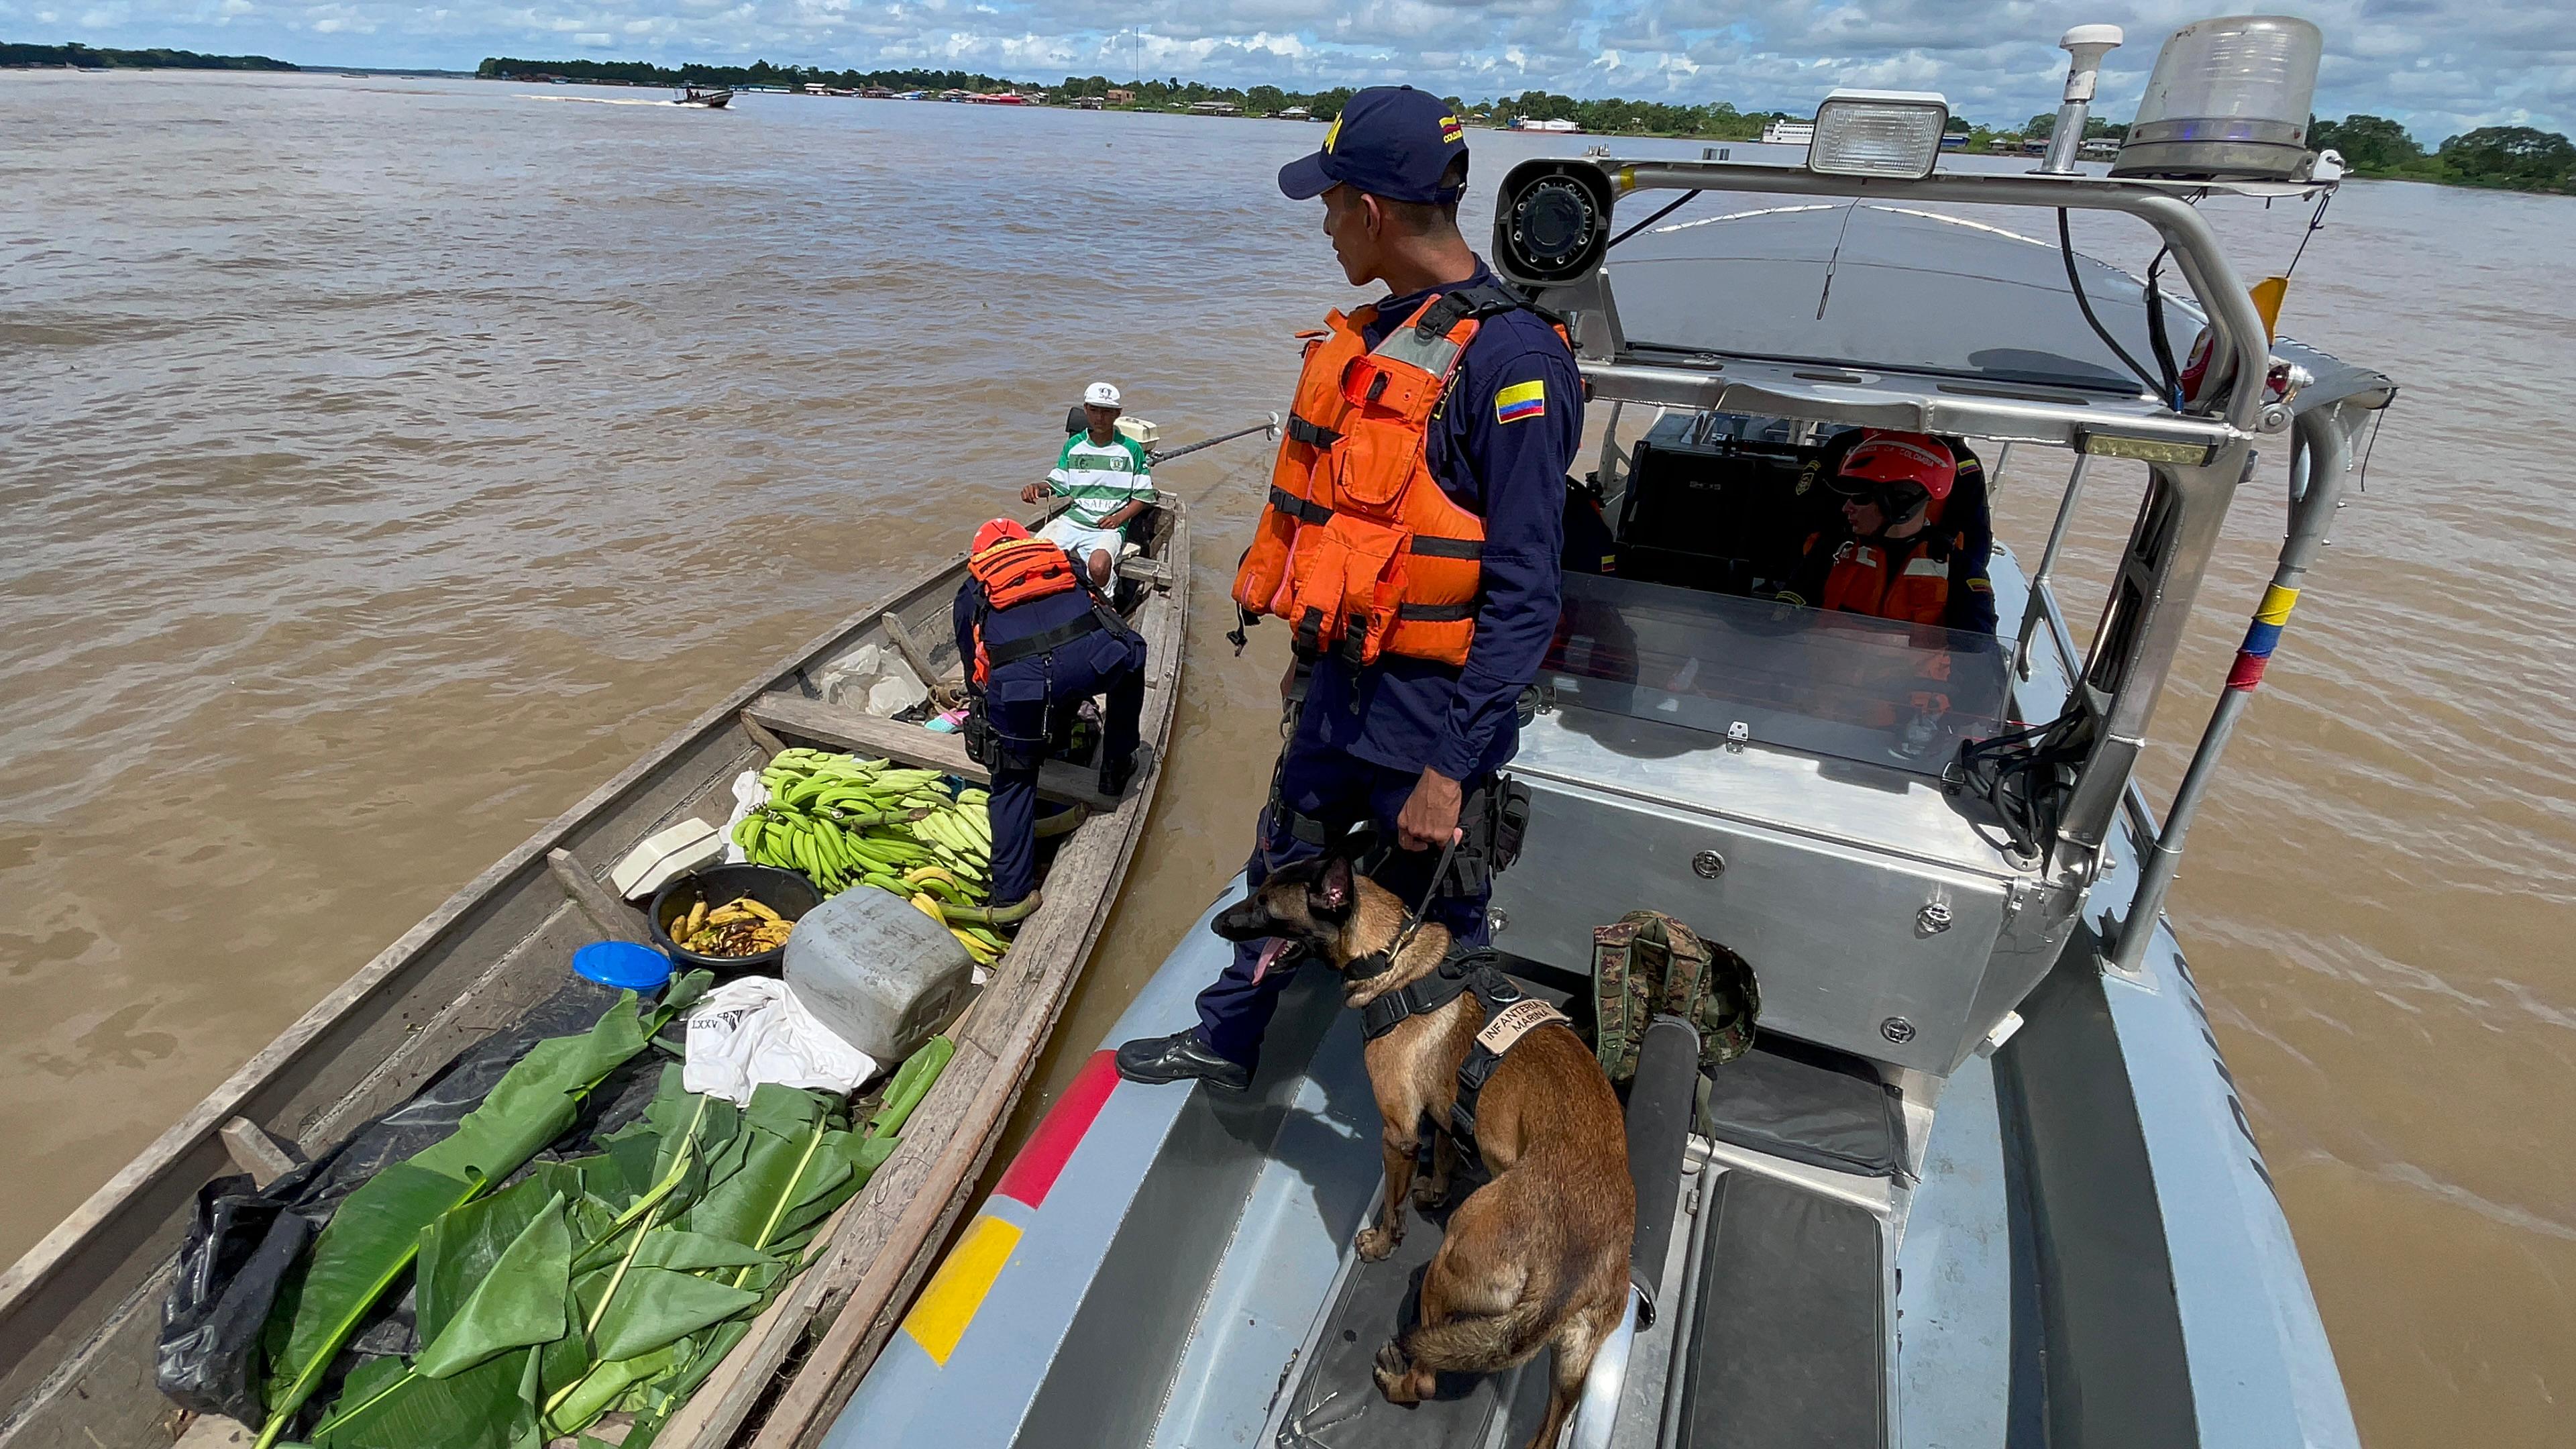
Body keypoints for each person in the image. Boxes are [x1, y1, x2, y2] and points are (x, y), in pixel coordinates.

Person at [1115, 85, 1582, 1092]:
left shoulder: (1514, 365)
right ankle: (1229, 1040)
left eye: (1330, 206)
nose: (1324, 228)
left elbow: (1524, 595)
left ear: (1369, 209)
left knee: (1433, 931)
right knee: (1275, 874)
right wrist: (1300, 666)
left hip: (1428, 726)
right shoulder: (1379, 336)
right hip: (1337, 698)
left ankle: (1436, 1122)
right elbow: (1340, 532)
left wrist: (1452, 772)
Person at [953, 518, 1148, 911]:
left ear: (981, 555)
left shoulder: (972, 589)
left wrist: (989, 712)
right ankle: (1116, 762)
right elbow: (1105, 614)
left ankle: (1010, 898)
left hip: (1021, 687)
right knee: (1133, 655)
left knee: (1012, 780)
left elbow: (974, 668)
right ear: (1028, 543)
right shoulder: (1062, 559)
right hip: (1090, 662)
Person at [1777, 430, 1996, 633]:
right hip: (1823, 672)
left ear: (1901, 503)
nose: (1845, 508)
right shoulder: (1831, 550)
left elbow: (1978, 657)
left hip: (1912, 676)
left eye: (1860, 498)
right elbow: (1785, 616)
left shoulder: (1961, 573)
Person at [1024, 382, 1156, 588]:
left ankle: (1106, 600)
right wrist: (1036, 488)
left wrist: (1118, 518)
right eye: (1094, 410)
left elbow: (1143, 496)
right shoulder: (1074, 446)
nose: (1099, 417)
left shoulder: (1131, 449)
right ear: (1086, 410)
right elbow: (1057, 484)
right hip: (1074, 520)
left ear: (1117, 414)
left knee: (1098, 566)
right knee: (1033, 557)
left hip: (1108, 527)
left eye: (1106, 412)